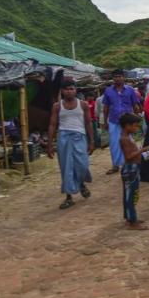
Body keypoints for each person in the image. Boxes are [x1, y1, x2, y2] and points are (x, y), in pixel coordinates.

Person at [47, 81, 94, 210]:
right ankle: (69, 197)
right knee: (66, 167)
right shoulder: (57, 106)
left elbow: (88, 123)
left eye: (71, 88)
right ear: (62, 91)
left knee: (82, 165)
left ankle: (82, 184)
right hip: (63, 138)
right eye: (66, 89)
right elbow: (52, 124)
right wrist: (50, 144)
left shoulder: (83, 104)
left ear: (75, 90)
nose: (69, 91)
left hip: (80, 137)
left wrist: (92, 141)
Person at [102, 69, 141, 175]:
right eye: (115, 76)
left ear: (123, 77)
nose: (117, 78)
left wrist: (137, 120)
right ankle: (115, 165)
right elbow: (106, 107)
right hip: (113, 120)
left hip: (128, 122)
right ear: (112, 78)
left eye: (119, 76)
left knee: (129, 142)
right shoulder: (108, 91)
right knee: (114, 143)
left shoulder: (130, 90)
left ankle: (129, 163)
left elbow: (135, 105)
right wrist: (105, 121)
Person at [119, 113, 149, 230]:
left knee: (131, 195)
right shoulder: (125, 139)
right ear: (127, 125)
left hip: (133, 168)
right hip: (130, 168)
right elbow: (129, 156)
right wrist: (142, 150)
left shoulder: (128, 137)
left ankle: (130, 218)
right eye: (135, 126)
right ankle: (132, 221)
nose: (136, 128)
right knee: (131, 195)